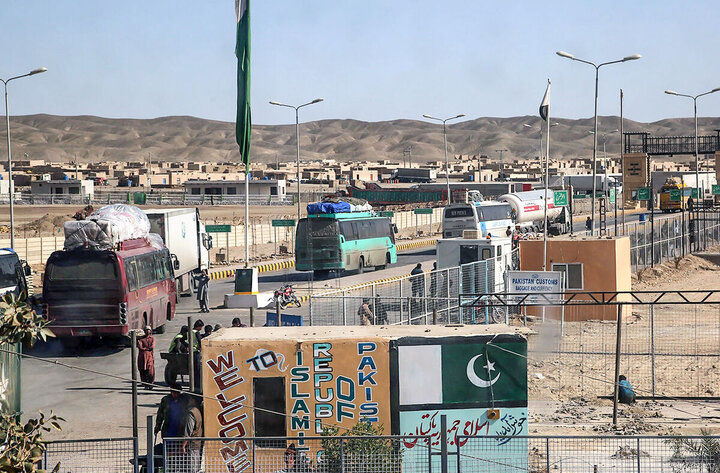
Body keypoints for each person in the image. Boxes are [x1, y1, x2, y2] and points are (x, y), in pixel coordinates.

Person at [184, 397, 204, 473]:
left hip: (192, 443)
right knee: (195, 466)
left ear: (193, 401)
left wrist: (183, 445)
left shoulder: (192, 413)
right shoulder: (198, 411)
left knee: (192, 467)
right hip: (197, 442)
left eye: (190, 399)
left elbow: (188, 430)